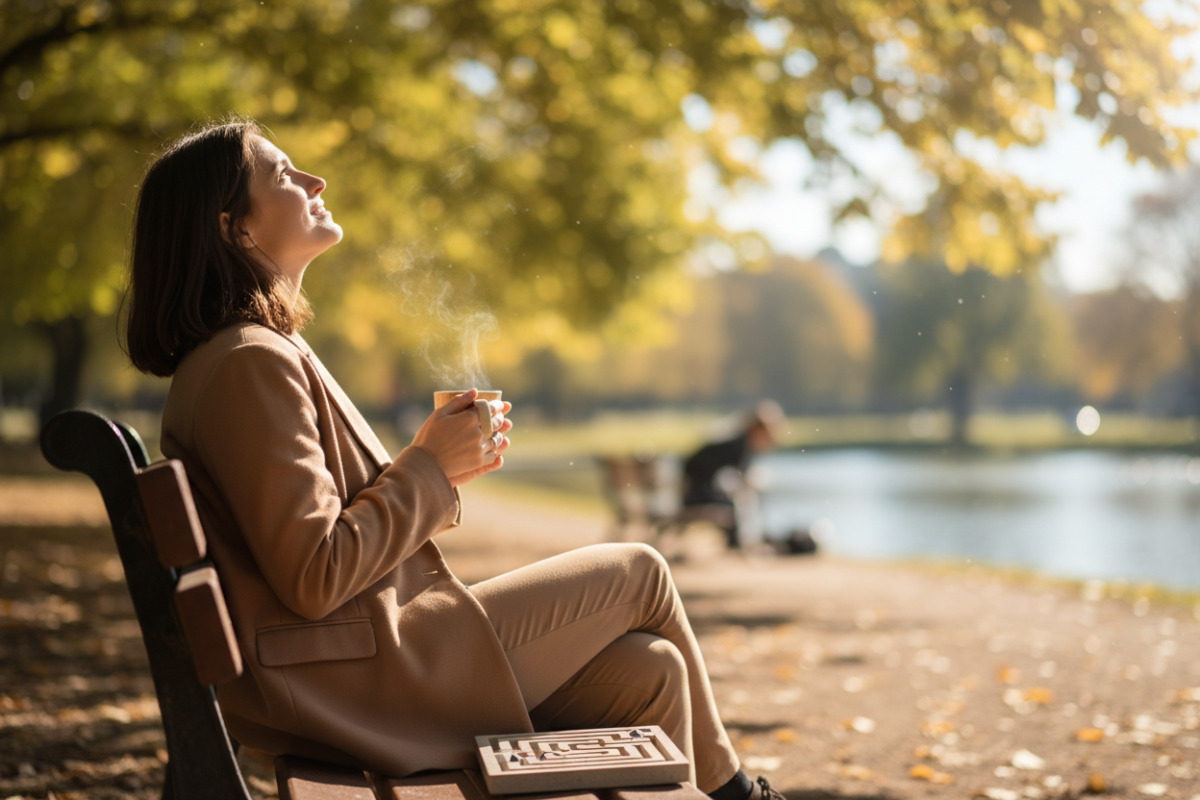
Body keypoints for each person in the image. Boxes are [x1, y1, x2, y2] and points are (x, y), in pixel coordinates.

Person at [121, 118, 783, 800]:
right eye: (283, 174)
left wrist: (437, 466)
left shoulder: (245, 356)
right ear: (235, 229)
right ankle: (745, 799)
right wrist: (429, 467)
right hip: (359, 684)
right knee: (639, 571)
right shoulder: (247, 363)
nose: (316, 181)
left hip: (362, 665)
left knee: (651, 670)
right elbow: (314, 574)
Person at [681, 402, 784, 550]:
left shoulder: (736, 441)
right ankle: (740, 544)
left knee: (740, 499)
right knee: (739, 502)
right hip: (697, 495)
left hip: (695, 490)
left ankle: (746, 541)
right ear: (757, 429)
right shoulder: (739, 446)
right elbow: (741, 479)